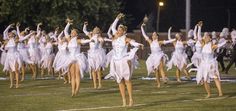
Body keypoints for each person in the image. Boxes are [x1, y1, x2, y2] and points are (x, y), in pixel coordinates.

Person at [108, 13, 143, 107]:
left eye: (120, 30)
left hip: (123, 60)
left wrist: (139, 44)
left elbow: (133, 43)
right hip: (115, 61)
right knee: (120, 81)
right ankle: (124, 100)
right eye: (118, 30)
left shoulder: (125, 39)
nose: (118, 31)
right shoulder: (114, 37)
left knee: (127, 80)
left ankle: (131, 99)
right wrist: (117, 18)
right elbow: (112, 28)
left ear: (124, 32)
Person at [141, 23, 174, 88]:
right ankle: (158, 83)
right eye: (153, 35)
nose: (153, 36)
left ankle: (164, 79)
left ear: (157, 36)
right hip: (153, 57)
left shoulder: (159, 42)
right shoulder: (150, 41)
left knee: (161, 68)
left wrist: (174, 39)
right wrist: (142, 27)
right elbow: (144, 35)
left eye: (155, 35)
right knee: (156, 71)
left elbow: (167, 41)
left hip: (159, 55)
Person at [64, 18, 91, 96]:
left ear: (76, 34)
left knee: (77, 74)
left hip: (78, 58)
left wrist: (90, 40)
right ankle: (72, 91)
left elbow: (84, 41)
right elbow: (65, 31)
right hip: (71, 58)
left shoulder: (78, 40)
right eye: (71, 32)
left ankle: (77, 90)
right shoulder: (69, 39)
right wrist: (68, 23)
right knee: (72, 75)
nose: (72, 33)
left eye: (73, 32)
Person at [196, 32, 225, 98]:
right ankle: (209, 94)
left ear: (209, 38)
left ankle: (220, 92)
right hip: (204, 65)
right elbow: (199, 36)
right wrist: (199, 27)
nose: (205, 38)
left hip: (211, 63)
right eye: (205, 37)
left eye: (207, 37)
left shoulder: (212, 46)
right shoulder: (203, 44)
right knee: (205, 80)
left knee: (215, 77)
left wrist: (225, 41)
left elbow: (220, 45)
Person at [83, 22, 106, 89]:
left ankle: (99, 84)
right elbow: (84, 30)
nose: (96, 32)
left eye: (97, 31)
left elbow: (102, 41)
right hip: (91, 55)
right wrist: (85, 25)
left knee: (98, 69)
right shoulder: (90, 36)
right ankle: (95, 84)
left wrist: (101, 41)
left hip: (97, 54)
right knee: (93, 69)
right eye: (95, 31)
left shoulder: (99, 37)